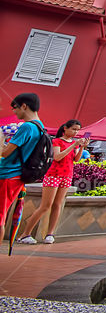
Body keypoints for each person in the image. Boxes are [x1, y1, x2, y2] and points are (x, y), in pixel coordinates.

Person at [18, 119, 88, 244]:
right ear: (65, 128)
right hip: (53, 175)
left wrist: (81, 147)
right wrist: (73, 145)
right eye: (73, 129)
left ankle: (50, 234)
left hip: (67, 175)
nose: (75, 132)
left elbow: (76, 160)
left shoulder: (75, 144)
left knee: (57, 205)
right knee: (46, 205)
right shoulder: (56, 141)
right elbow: (57, 157)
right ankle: (25, 234)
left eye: (77, 130)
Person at [1, 94, 46, 243]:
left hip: (8, 175)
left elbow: (5, 152)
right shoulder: (40, 127)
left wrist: (1, 140)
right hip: (17, 177)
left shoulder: (27, 126)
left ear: (24, 106)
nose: (14, 112)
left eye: (15, 107)